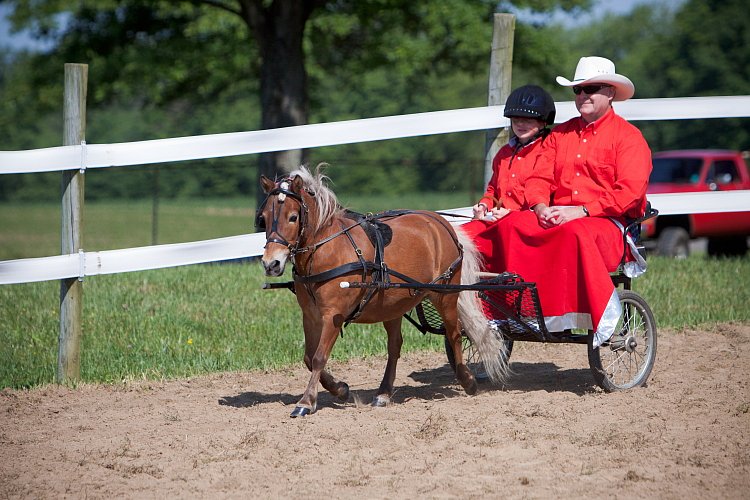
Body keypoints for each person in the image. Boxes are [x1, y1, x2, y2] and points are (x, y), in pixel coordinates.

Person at [485, 56, 652, 347]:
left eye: (592, 88)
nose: (583, 95)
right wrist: (540, 207)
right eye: (578, 90)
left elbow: (630, 193)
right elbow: (538, 179)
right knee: (512, 224)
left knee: (573, 231)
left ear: (610, 93)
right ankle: (514, 312)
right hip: (559, 215)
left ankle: (598, 314)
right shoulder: (560, 134)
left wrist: (583, 210)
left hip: (610, 224)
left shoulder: (629, 138)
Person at [461, 84, 556, 266]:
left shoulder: (548, 150)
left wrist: (510, 215)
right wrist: (484, 205)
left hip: (530, 222)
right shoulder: (504, 153)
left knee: (507, 229)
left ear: (543, 121)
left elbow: (543, 193)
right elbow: (493, 190)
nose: (520, 124)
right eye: (516, 119)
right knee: (463, 236)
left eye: (528, 120)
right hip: (499, 218)